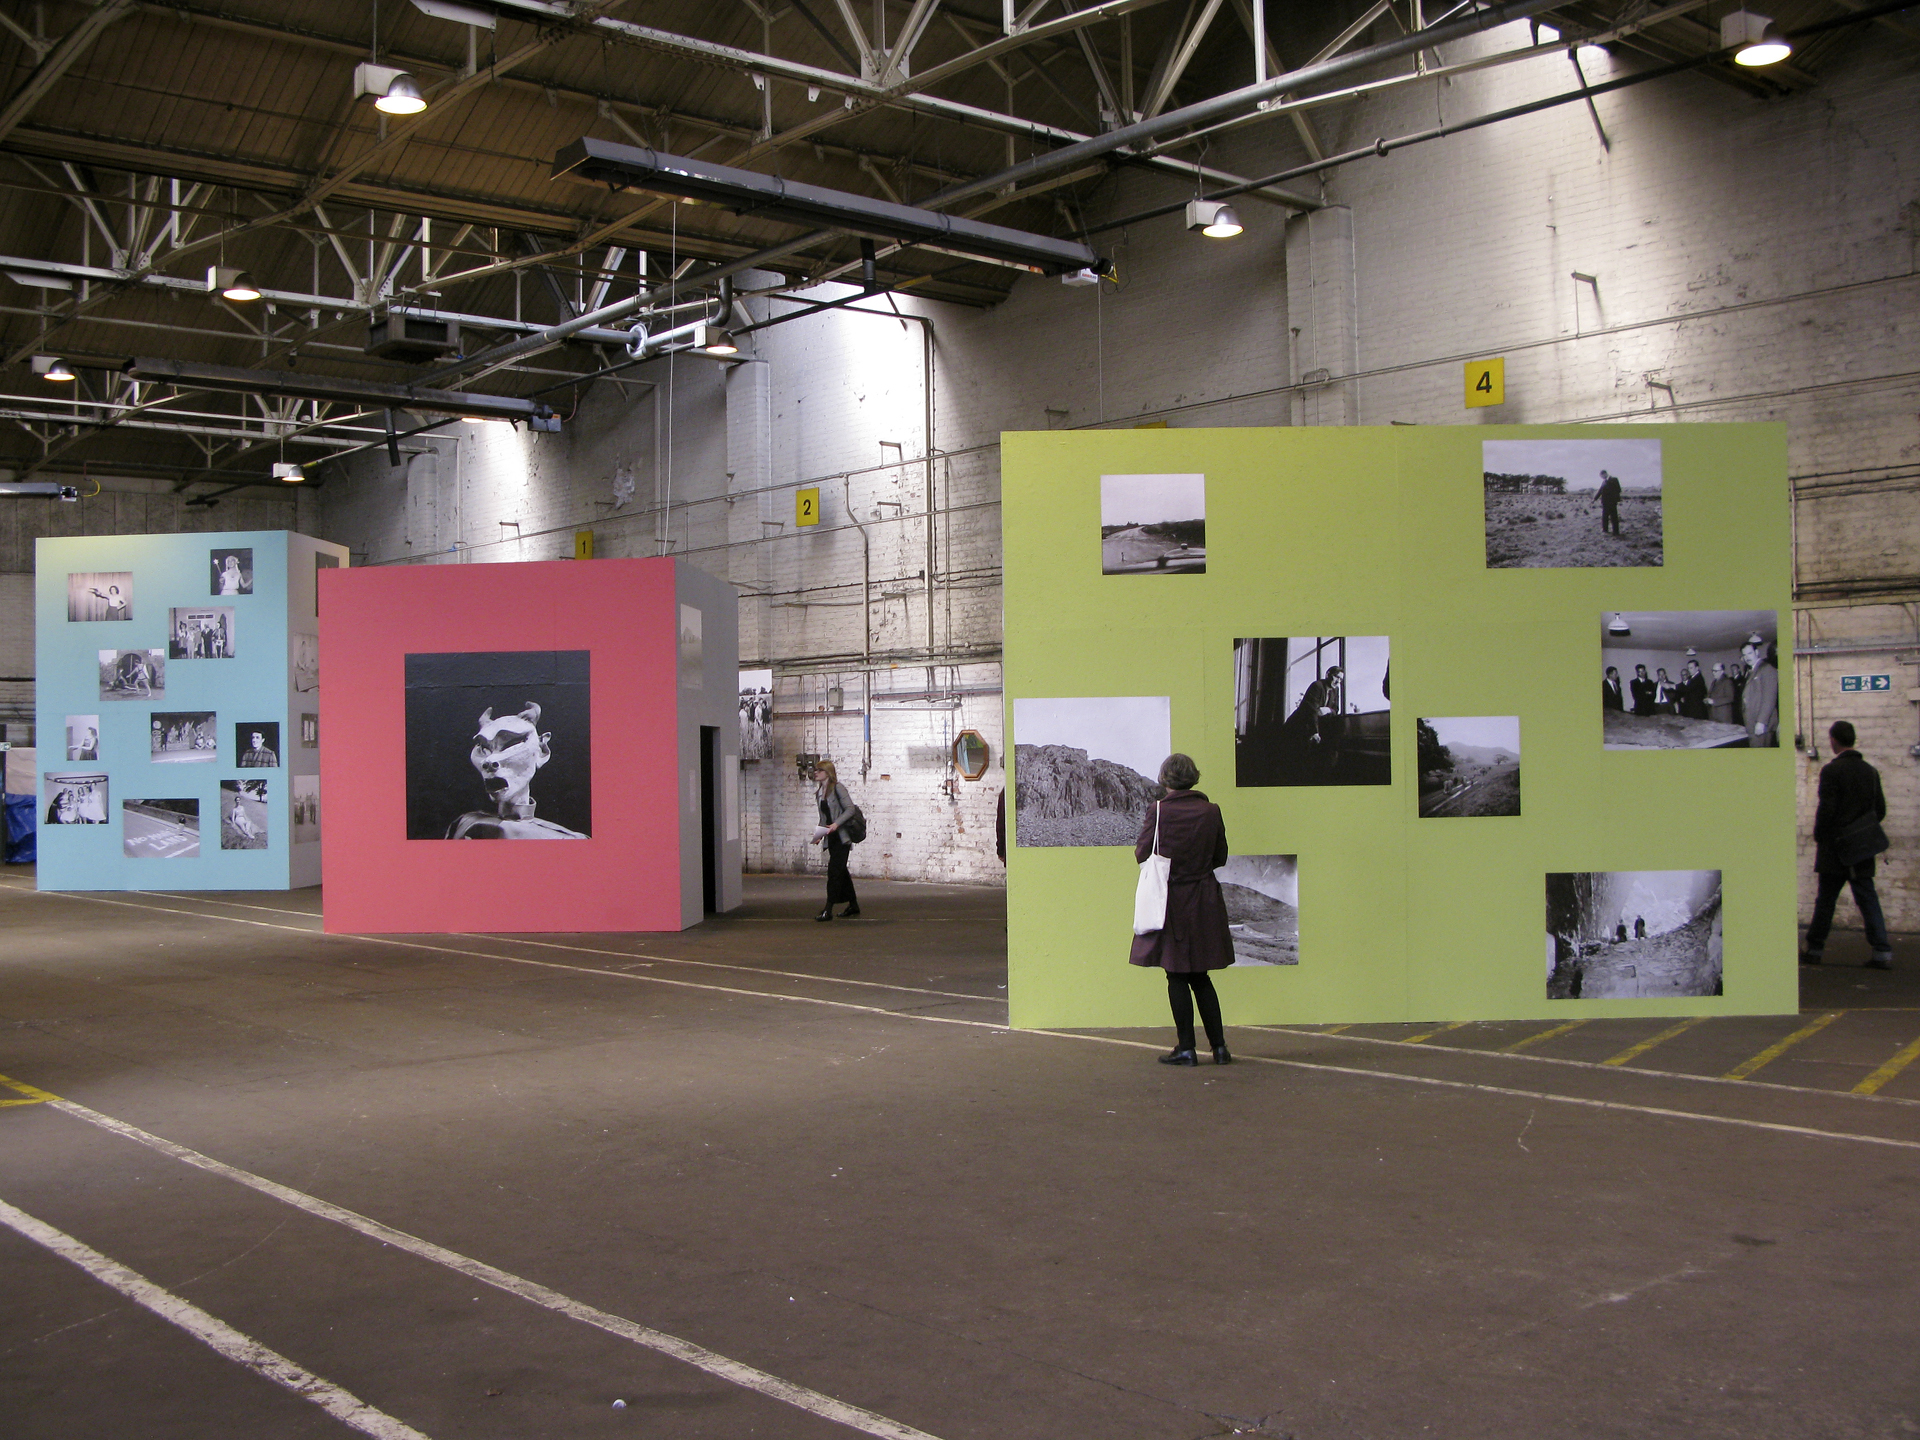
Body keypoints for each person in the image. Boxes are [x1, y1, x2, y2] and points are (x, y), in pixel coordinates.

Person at [1130, 753, 1234, 1067]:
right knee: (1201, 976)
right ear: (1194, 777)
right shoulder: (1212, 811)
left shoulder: (1158, 811)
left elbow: (1141, 854)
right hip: (1204, 899)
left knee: (1176, 975)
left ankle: (1186, 1048)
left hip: (1170, 899)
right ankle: (1219, 1049)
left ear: (1165, 779)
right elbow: (1221, 857)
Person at [1803, 720, 1892, 969]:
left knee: (1826, 900)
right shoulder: (1870, 772)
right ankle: (1882, 952)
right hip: (1862, 847)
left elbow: (1827, 809)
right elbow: (1880, 810)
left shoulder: (1832, 771)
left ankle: (1815, 950)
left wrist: (1820, 835)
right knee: (1867, 897)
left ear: (1833, 740)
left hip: (1834, 847)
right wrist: (1860, 829)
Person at [447, 703, 584, 838]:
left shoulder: (564, 839)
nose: (489, 760)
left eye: (512, 744)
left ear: (542, 751)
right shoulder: (465, 824)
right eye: (484, 749)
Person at [809, 760, 859, 919]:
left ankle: (828, 909)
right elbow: (823, 818)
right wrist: (818, 836)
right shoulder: (819, 793)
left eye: (819, 770)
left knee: (834, 872)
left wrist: (837, 824)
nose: (816, 773)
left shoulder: (838, 788)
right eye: (816, 770)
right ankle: (854, 905)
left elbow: (850, 809)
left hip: (842, 838)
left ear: (827, 772)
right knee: (841, 872)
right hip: (831, 840)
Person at [1740, 634, 1779, 747]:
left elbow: (1769, 699)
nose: (1747, 657)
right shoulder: (1752, 670)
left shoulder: (1767, 669)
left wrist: (1761, 722)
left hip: (1761, 724)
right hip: (1752, 721)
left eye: (1750, 653)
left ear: (1757, 653)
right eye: (1744, 655)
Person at [1594, 469, 1622, 535]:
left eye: (1602, 476)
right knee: (1605, 517)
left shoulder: (1614, 479)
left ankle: (1616, 532)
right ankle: (1605, 530)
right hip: (1605, 502)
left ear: (1605, 474)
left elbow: (1618, 489)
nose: (1602, 477)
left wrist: (1613, 497)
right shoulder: (1604, 482)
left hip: (1612, 502)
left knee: (1614, 517)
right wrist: (1595, 499)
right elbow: (1600, 491)